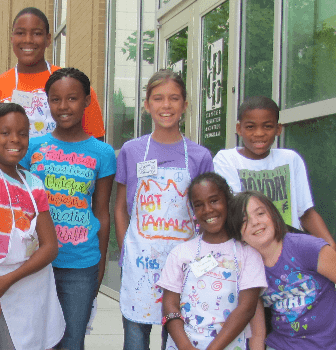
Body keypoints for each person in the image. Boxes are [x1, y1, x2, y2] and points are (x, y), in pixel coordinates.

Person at [114, 69, 214, 350]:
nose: (166, 106)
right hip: (139, 262)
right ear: (147, 105)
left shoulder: (199, 155)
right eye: (158, 98)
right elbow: (121, 207)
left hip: (185, 263)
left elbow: (208, 213)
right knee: (135, 338)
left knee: (179, 335)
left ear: (185, 105)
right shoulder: (131, 151)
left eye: (174, 98)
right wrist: (127, 248)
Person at [19, 68, 115, 350]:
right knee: (37, 342)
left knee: (72, 342)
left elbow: (102, 213)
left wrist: (100, 266)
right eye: (55, 99)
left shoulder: (102, 153)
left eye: (72, 98)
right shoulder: (31, 148)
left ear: (87, 101)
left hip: (80, 263)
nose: (63, 107)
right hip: (36, 262)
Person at [0, 103, 65, 349]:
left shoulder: (33, 183)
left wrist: (7, 281)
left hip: (34, 284)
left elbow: (50, 246)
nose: (15, 139)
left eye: (22, 133)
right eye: (5, 133)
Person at [158, 173, 266, 350]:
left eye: (214, 201)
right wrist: (185, 347)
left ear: (228, 201)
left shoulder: (248, 254)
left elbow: (247, 308)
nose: (207, 210)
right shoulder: (180, 253)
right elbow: (170, 305)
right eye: (198, 205)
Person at [212, 96, 336, 249]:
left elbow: (305, 212)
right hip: (251, 249)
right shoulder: (226, 160)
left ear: (278, 129)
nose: (259, 133)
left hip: (292, 249)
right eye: (250, 127)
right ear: (239, 129)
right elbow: (239, 212)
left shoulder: (291, 159)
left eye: (267, 126)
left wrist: (329, 245)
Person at [231, 190, 336, 350]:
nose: (255, 222)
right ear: (238, 234)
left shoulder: (307, 247)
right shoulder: (248, 268)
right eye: (245, 220)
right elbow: (258, 333)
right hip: (281, 345)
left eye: (260, 213)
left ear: (274, 215)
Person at [0, 7, 105, 140]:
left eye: (37, 33)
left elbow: (97, 145)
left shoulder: (73, 85)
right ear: (12, 38)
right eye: (20, 33)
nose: (28, 39)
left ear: (48, 39)